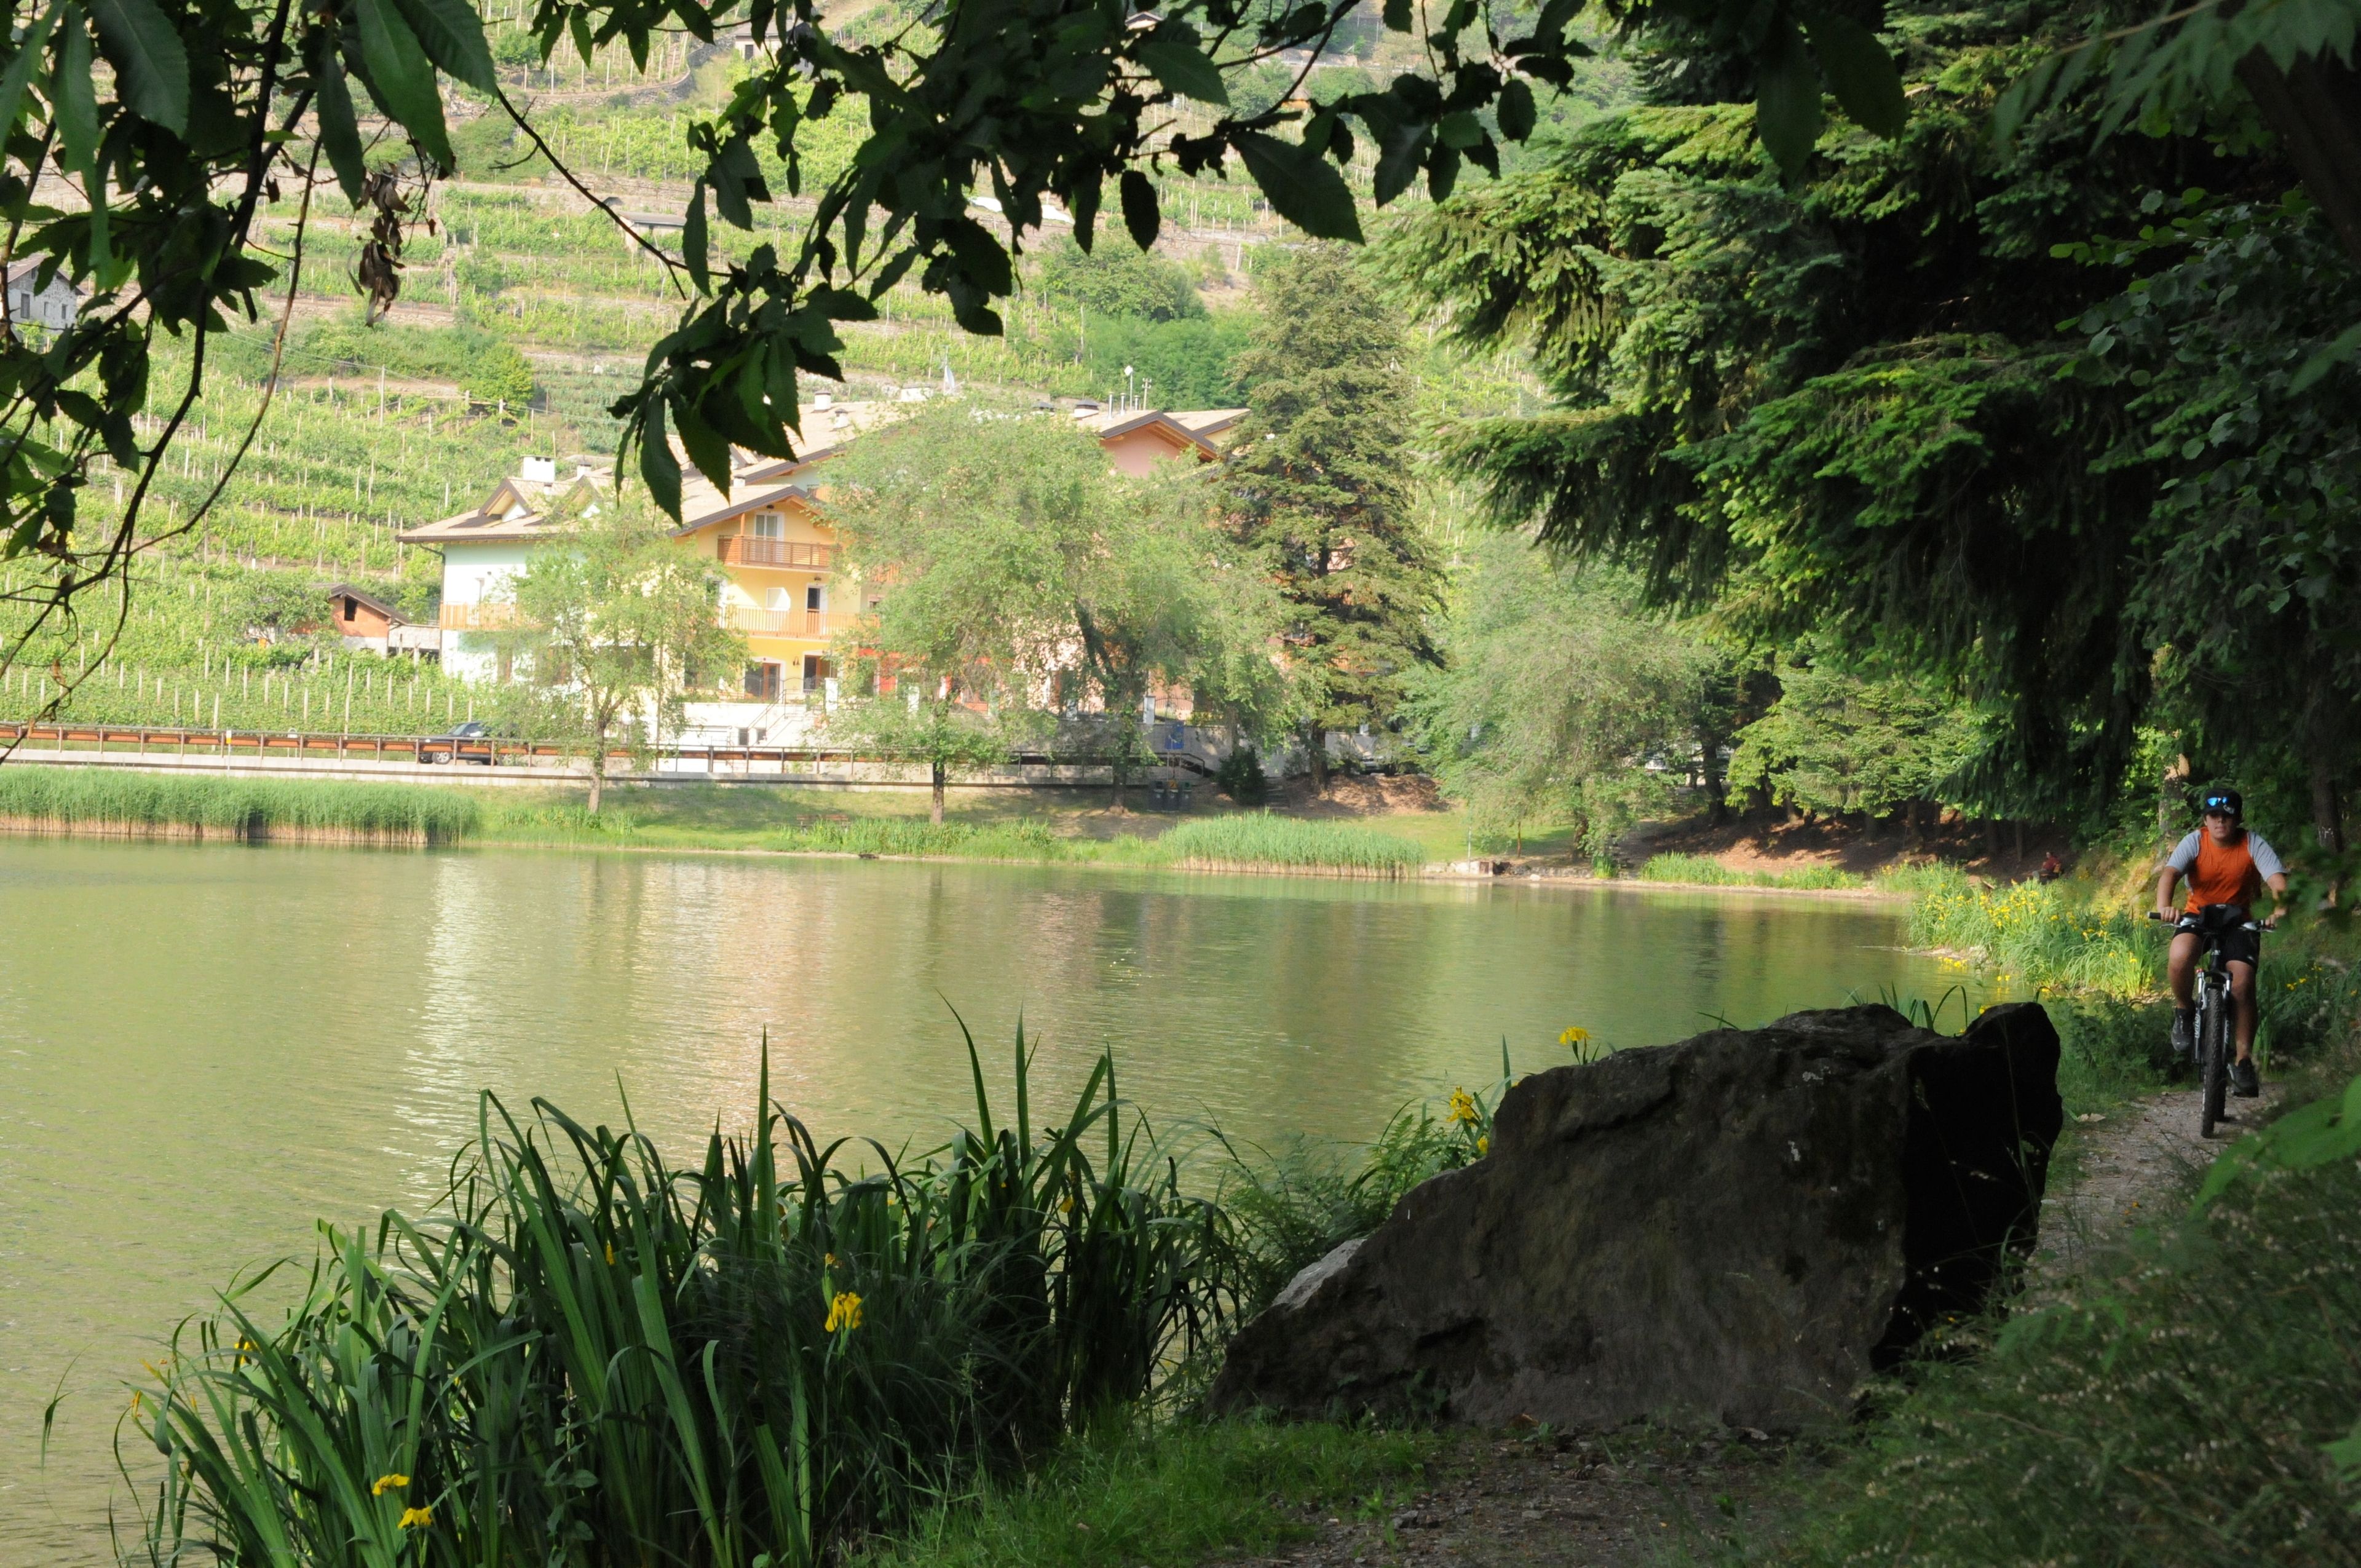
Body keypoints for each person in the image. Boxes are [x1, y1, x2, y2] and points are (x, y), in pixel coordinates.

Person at [2153, 788, 2287, 1097]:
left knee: (2242, 982)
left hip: (2241, 921)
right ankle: (2184, 1011)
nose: (2220, 822)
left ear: (2238, 819)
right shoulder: (2195, 841)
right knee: (2180, 955)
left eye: (2227, 816)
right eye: (2214, 816)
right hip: (2198, 916)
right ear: (2205, 819)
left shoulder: (2252, 843)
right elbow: (2170, 874)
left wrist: (2280, 909)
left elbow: (2277, 880)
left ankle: (2242, 1062)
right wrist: (2165, 907)